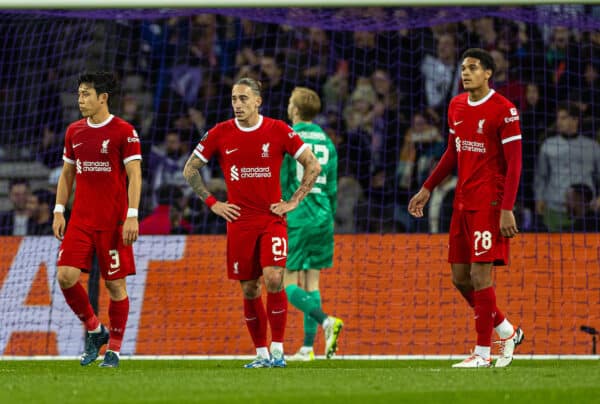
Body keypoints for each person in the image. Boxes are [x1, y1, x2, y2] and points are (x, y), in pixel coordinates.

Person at [182, 77, 321, 368]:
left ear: (258, 101)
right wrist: (213, 203)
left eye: (243, 98)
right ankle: (261, 354)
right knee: (249, 288)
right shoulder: (220, 133)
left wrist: (294, 200)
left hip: (271, 219)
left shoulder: (278, 129)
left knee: (274, 278)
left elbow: (313, 164)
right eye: (234, 99)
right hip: (239, 223)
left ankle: (279, 351)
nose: (237, 104)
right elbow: (190, 169)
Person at [408, 48, 524, 368]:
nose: (465, 73)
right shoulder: (456, 105)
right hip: (461, 201)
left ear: (488, 73)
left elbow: (514, 164)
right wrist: (427, 188)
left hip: (489, 203)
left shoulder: (504, 110)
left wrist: (506, 208)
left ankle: (484, 353)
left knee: (480, 274)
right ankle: (506, 329)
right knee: (460, 278)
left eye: (472, 68)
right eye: (463, 68)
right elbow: (452, 152)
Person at [52, 71, 142, 368]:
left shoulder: (124, 131)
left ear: (103, 98)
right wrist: (58, 209)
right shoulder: (74, 131)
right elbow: (67, 174)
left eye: (86, 94)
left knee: (115, 286)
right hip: (81, 220)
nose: (80, 100)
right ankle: (95, 329)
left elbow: (134, 175)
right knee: (65, 277)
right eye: (78, 94)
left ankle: (114, 350)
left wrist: (132, 215)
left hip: (113, 222)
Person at [280, 87, 343, 362]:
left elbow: (282, 180)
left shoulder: (289, 137)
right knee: (312, 281)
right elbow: (332, 185)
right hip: (323, 215)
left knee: (287, 281)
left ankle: (326, 321)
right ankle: (307, 348)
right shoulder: (327, 141)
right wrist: (329, 214)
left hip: (298, 215)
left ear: (294, 110)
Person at [534, 103, 600, 232]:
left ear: (575, 120)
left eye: (563, 118)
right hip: (554, 208)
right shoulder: (548, 145)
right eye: (558, 118)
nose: (559, 122)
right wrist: (539, 198)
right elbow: (541, 176)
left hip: (584, 212)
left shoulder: (592, 146)